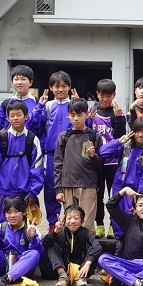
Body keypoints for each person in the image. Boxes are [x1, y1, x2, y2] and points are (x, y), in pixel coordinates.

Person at [28, 70, 78, 231]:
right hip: (51, 154)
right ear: (50, 88)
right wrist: (39, 106)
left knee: (71, 189)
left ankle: (73, 223)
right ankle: (53, 224)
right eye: (56, 86)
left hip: (72, 155)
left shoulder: (74, 105)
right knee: (51, 190)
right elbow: (34, 125)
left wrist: (77, 105)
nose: (60, 89)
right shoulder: (48, 106)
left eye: (64, 86)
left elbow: (86, 125)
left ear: (69, 87)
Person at [0, 100, 44, 224]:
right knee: (2, 227)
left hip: (24, 193)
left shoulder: (32, 139)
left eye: (19, 115)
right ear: (7, 118)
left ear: (26, 116)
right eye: (12, 115)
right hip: (3, 191)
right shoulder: (1, 138)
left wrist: (33, 192)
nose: (15, 118)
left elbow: (37, 167)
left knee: (24, 227)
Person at [99, 117, 143, 238]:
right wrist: (118, 141)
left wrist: (138, 199)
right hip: (119, 191)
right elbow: (103, 152)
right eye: (137, 131)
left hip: (134, 194)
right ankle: (119, 246)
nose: (140, 135)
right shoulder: (126, 147)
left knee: (132, 225)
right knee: (117, 223)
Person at [54, 98, 104, 233]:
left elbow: (101, 164)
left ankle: (87, 247)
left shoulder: (94, 136)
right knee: (70, 223)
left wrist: (93, 156)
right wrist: (58, 189)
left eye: (79, 115)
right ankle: (69, 247)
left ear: (87, 114)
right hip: (67, 185)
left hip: (88, 185)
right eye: (72, 115)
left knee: (87, 225)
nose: (76, 118)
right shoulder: (64, 137)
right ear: (68, 115)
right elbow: (58, 163)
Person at [89, 78, 127, 239]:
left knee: (114, 195)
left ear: (114, 95)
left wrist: (118, 119)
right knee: (97, 195)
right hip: (96, 160)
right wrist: (88, 121)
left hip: (113, 161)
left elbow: (121, 137)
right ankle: (99, 224)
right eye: (102, 95)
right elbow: (86, 135)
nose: (105, 99)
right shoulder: (92, 112)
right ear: (97, 94)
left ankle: (113, 225)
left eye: (108, 96)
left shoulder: (117, 112)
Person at [39, 205, 102, 286]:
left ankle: (80, 278)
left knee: (95, 250)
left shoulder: (85, 233)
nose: (72, 221)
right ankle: (63, 276)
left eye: (76, 218)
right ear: (64, 221)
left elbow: (97, 247)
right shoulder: (60, 231)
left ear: (82, 221)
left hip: (80, 269)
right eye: (69, 218)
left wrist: (87, 263)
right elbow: (44, 244)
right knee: (51, 245)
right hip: (60, 268)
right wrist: (55, 231)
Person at [0, 64, 38, 131]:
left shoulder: (37, 103)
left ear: (30, 82)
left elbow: (41, 127)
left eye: (23, 79)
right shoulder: (6, 103)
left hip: (31, 138)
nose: (19, 82)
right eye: (16, 79)